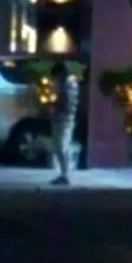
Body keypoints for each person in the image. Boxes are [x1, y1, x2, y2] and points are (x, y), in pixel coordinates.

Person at [49, 57, 80, 186]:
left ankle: (65, 174)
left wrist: (56, 108)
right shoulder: (65, 84)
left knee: (62, 146)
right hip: (61, 118)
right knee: (60, 147)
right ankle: (63, 174)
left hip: (65, 119)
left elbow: (66, 102)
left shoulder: (69, 84)